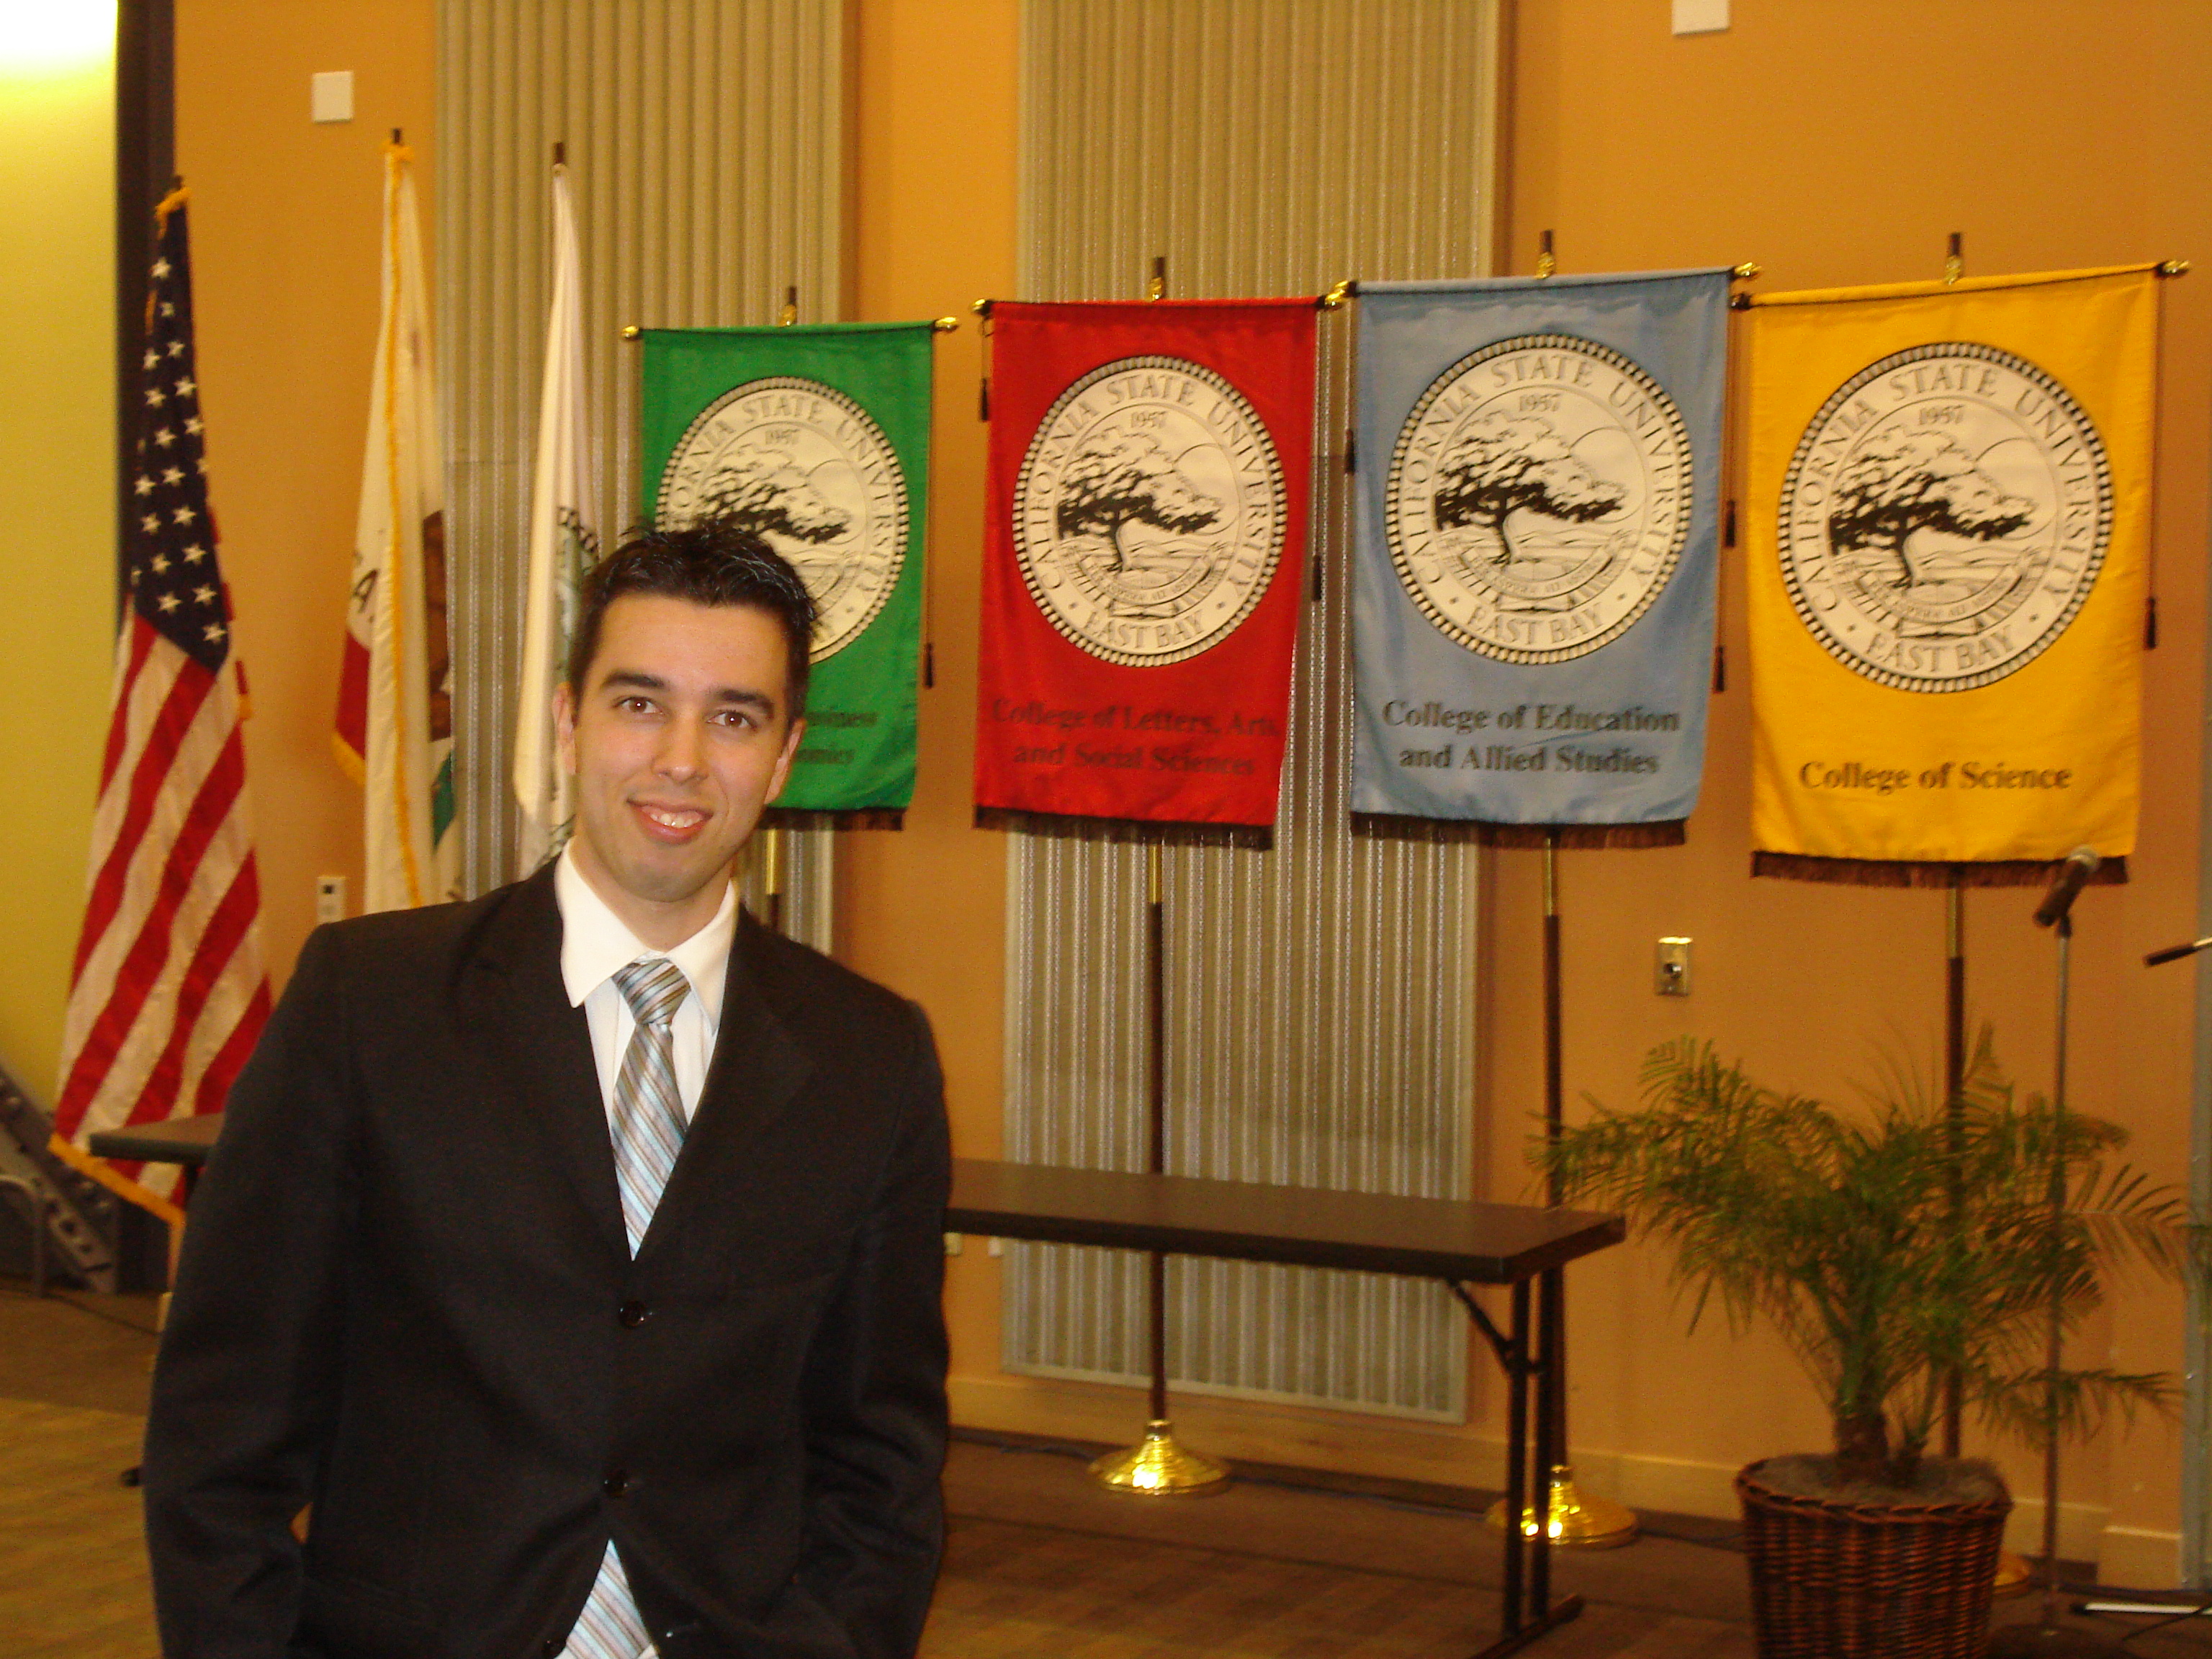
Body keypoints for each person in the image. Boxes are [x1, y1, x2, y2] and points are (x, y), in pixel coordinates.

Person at [143, 521, 951, 1659]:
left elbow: (882, 1459)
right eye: (638, 703)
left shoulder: (872, 1059)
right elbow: (219, 1433)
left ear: (782, 756)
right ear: (569, 722)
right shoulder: (368, 1008)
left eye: (733, 716)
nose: (681, 758)